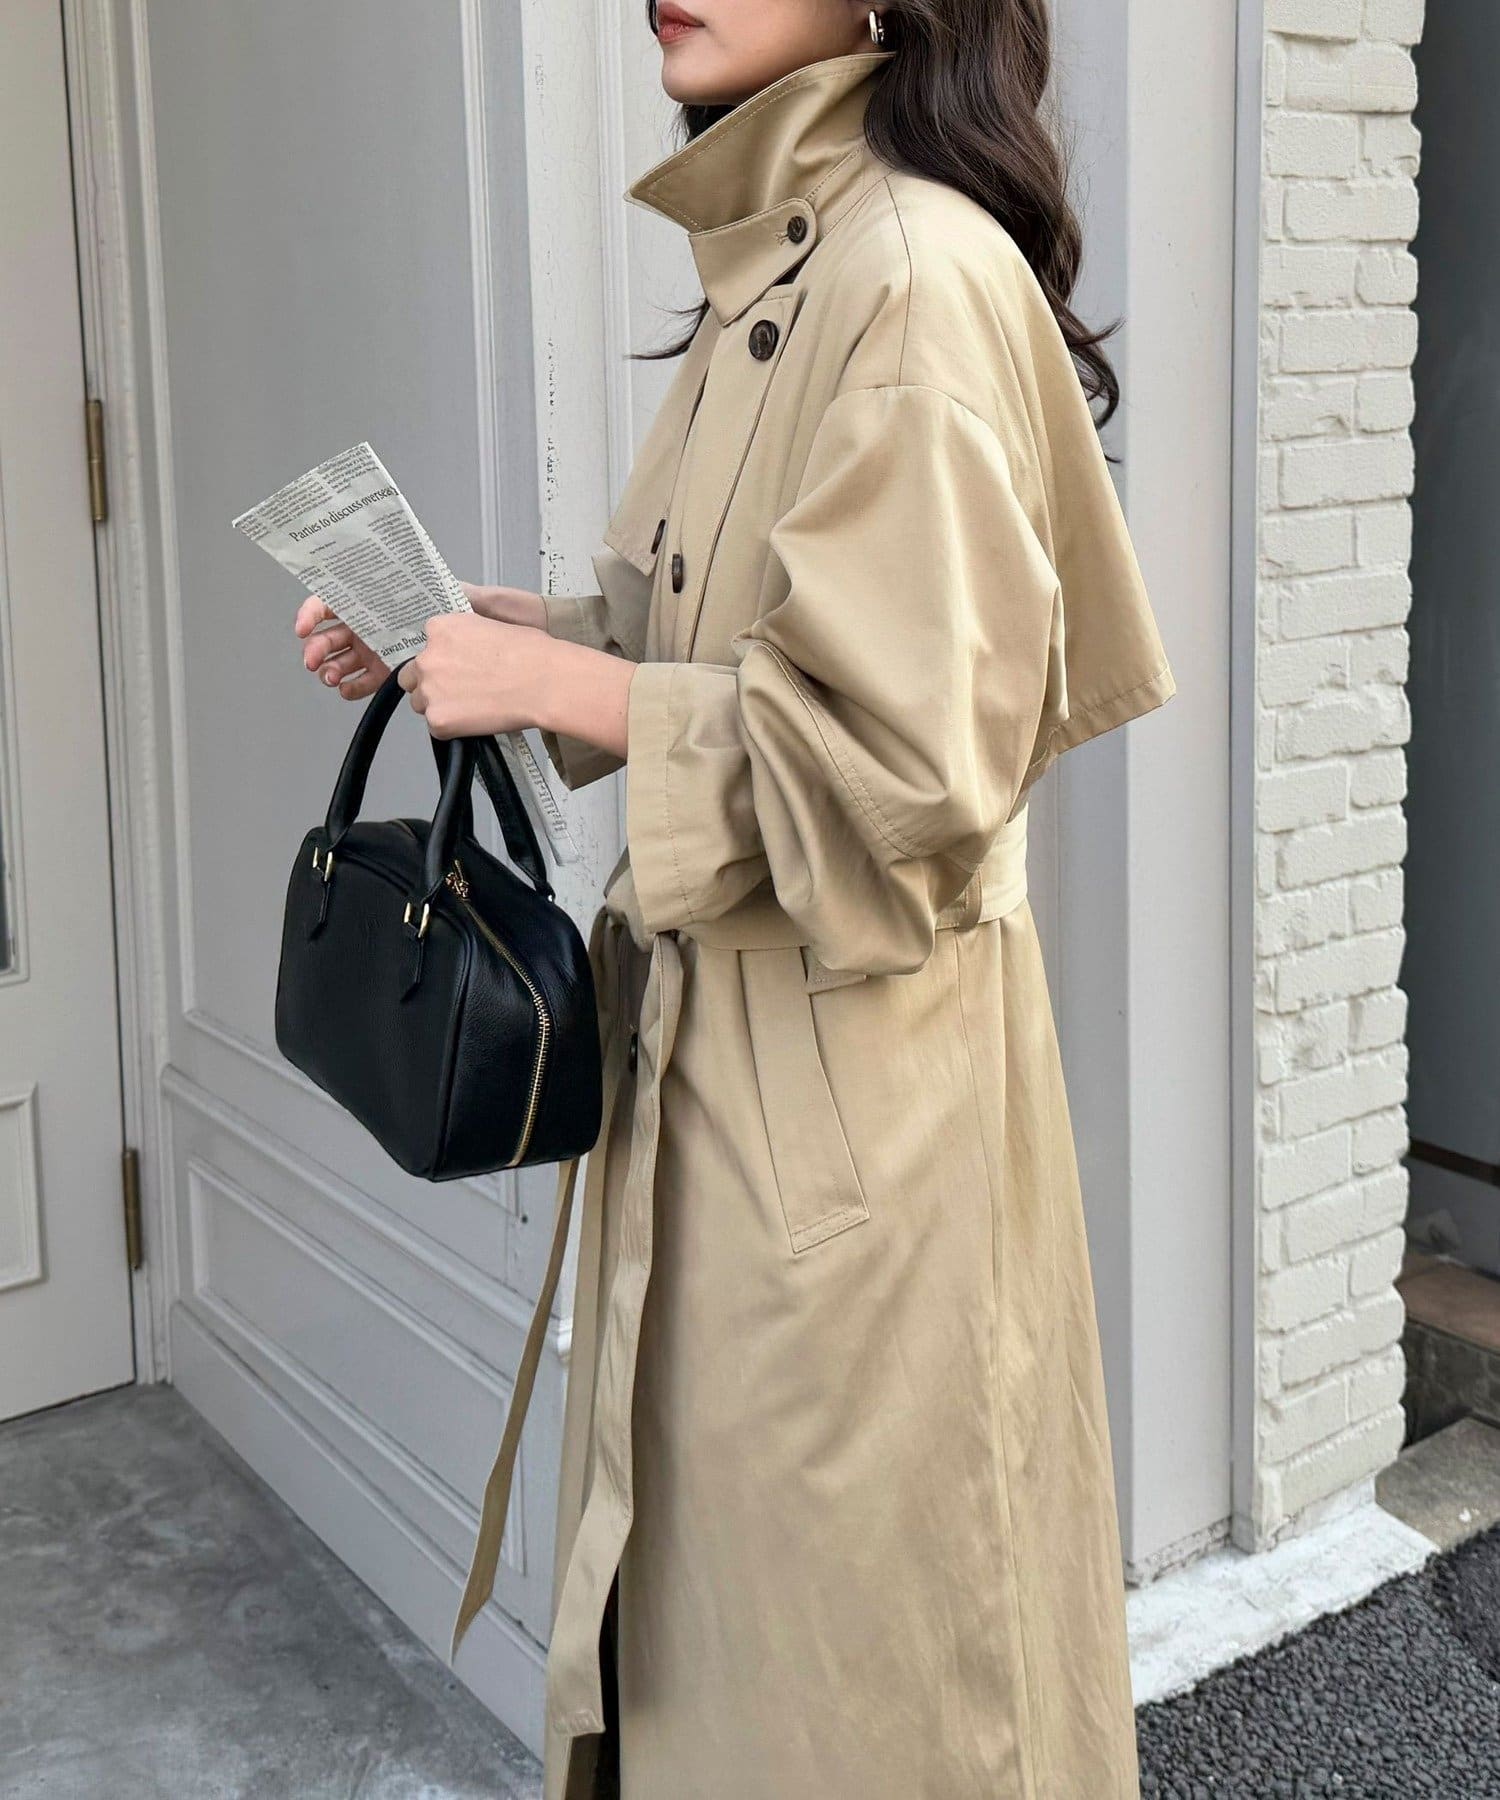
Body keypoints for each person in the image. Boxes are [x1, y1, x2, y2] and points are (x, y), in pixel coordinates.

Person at [295, 4, 1175, 1795]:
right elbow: (712, 641)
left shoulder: (908, 273)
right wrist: (484, 636)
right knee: (726, 1662)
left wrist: (559, 689)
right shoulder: (790, 251)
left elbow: (915, 765)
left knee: (864, 1696)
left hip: (851, 1133)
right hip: (733, 1091)